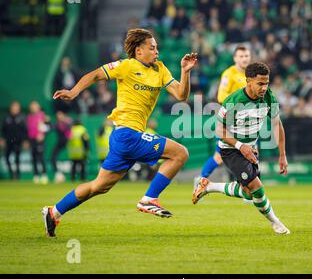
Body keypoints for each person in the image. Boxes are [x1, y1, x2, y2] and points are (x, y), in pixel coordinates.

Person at [42, 28, 198, 237]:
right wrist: (74, 91)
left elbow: (181, 95)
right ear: (138, 51)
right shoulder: (126, 66)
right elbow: (96, 74)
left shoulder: (160, 69)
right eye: (152, 48)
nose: (156, 51)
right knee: (180, 153)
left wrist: (185, 72)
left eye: (157, 48)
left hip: (127, 138)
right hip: (127, 134)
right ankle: (149, 199)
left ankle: (54, 212)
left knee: (98, 186)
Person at [192, 62, 290, 235]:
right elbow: (218, 130)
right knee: (257, 188)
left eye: (267, 83)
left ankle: (208, 186)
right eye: (260, 83)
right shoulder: (233, 101)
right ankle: (276, 223)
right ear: (248, 81)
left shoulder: (269, 97)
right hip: (231, 149)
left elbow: (277, 124)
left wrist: (282, 155)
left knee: (248, 193)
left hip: (249, 148)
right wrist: (240, 146)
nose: (264, 87)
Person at [196, 45, 251, 185]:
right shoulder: (229, 74)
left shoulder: (251, 74)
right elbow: (221, 97)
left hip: (246, 122)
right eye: (241, 56)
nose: (244, 59)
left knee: (250, 152)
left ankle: (250, 188)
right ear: (235, 58)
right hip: (230, 120)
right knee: (219, 156)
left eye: (246, 56)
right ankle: (201, 179)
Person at [1, 102, 27, 180]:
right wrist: (2, 138)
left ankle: (17, 175)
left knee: (17, 158)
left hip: (18, 141)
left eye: (16, 107)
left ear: (19, 109)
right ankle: (11, 174)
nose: (15, 109)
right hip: (8, 141)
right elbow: (3, 129)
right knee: (6, 157)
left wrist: (25, 140)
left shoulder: (22, 117)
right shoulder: (6, 117)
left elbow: (25, 130)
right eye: (13, 107)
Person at [27, 101, 50, 184]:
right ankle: (36, 175)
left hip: (40, 140)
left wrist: (42, 134)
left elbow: (49, 127)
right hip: (32, 139)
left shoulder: (42, 115)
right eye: (32, 106)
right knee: (33, 158)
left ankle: (44, 175)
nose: (33, 108)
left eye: (35, 106)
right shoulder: (29, 116)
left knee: (41, 157)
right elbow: (28, 129)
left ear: (38, 107)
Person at [51, 111, 73, 183]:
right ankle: (57, 173)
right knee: (53, 156)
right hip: (60, 142)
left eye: (60, 115)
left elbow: (70, 128)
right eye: (58, 116)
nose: (59, 117)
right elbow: (51, 127)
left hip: (67, 142)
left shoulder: (68, 122)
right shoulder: (57, 124)